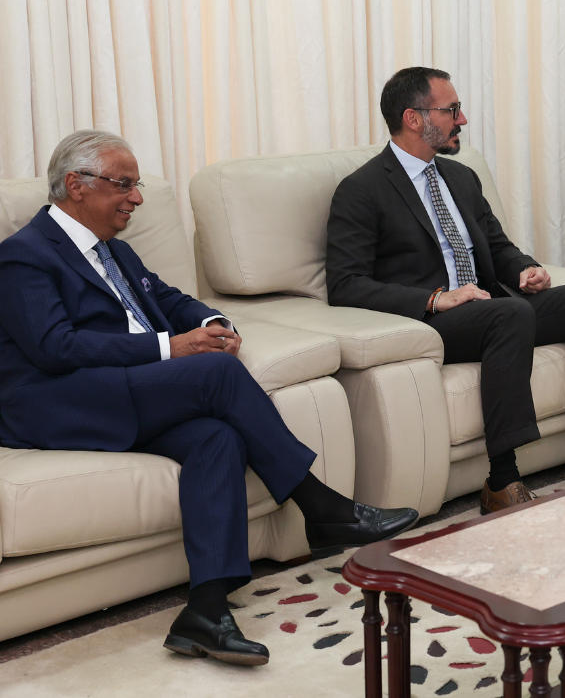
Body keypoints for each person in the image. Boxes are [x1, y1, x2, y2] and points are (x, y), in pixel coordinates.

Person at [0, 131, 419, 666]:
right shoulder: (23, 255)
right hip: (54, 402)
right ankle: (321, 506)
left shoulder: (118, 253)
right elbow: (53, 348)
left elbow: (169, 299)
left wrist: (210, 320)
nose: (136, 197)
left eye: (138, 185)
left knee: (216, 438)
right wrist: (170, 347)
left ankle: (206, 610)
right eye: (123, 184)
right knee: (215, 373)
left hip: (119, 393)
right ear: (77, 186)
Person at [326, 67, 565, 515]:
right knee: (511, 315)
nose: (462, 119)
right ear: (413, 118)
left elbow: (498, 245)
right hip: (435, 321)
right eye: (451, 110)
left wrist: (526, 270)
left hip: (489, 309)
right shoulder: (361, 190)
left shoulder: (460, 177)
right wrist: (433, 299)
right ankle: (502, 481)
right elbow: (345, 284)